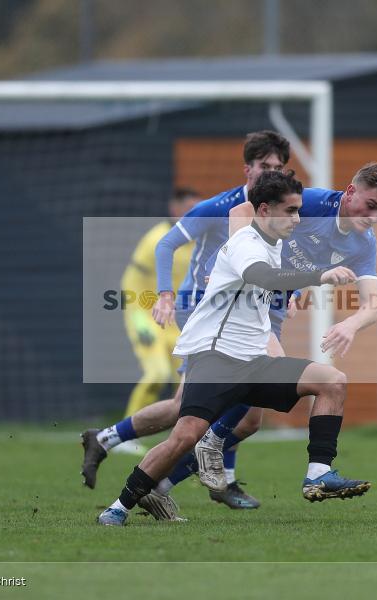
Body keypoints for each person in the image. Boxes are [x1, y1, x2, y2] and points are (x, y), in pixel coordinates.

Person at [97, 170, 369, 527]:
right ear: (265, 210)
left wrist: (296, 290)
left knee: (332, 381)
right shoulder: (246, 243)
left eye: (299, 210)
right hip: (216, 358)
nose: (297, 219)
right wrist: (319, 276)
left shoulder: (277, 245)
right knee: (184, 436)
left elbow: (277, 277)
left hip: (254, 360)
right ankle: (118, 506)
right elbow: (263, 277)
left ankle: (318, 473)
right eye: (289, 211)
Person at [81, 130, 291, 511]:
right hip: (203, 312)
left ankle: (110, 441)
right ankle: (167, 485)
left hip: (241, 315)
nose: (270, 173)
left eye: (278, 167)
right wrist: (163, 295)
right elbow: (167, 243)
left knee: (237, 417)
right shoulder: (219, 207)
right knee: (215, 408)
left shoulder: (279, 211)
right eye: (264, 166)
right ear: (248, 168)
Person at [120, 187, 200, 418]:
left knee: (189, 382)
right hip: (147, 317)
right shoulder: (156, 240)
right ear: (174, 209)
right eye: (189, 210)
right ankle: (124, 433)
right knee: (157, 375)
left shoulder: (198, 243)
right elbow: (131, 281)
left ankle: (183, 434)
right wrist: (139, 319)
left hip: (177, 321)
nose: (195, 216)